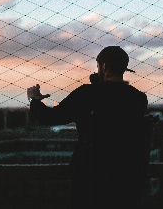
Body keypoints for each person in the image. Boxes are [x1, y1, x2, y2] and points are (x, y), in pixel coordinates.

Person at [27, 46, 148, 209]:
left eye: (98, 65)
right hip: (126, 176)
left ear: (103, 66)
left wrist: (35, 100)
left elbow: (49, 117)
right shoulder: (139, 99)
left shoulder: (86, 94)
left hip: (91, 176)